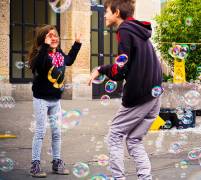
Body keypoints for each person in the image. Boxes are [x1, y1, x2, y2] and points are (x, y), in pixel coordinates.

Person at [88, 0, 162, 179]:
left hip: (139, 95)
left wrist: (100, 69)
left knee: (115, 134)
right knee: (134, 140)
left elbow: (121, 69)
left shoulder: (125, 30)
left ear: (117, 13)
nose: (104, 14)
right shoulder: (139, 31)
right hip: (154, 94)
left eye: (106, 11)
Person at [28, 25, 81, 178]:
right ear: (44, 39)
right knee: (40, 132)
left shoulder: (58, 54)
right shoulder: (40, 55)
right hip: (41, 99)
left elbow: (69, 60)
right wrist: (44, 46)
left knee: (57, 132)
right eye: (50, 36)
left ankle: (57, 162)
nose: (54, 38)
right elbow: (41, 64)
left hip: (55, 99)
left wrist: (77, 43)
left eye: (55, 35)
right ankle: (35, 165)